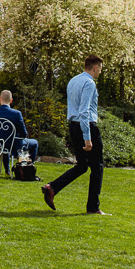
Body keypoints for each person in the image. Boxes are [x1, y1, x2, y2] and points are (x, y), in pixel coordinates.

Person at [43, 56, 107, 215]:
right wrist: (87, 137)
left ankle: (52, 187)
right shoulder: (89, 83)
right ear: (95, 68)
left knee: (82, 166)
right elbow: (84, 111)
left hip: (73, 126)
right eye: (100, 68)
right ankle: (93, 207)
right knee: (97, 167)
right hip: (86, 127)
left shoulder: (73, 81)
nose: (100, 71)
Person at [0, 90, 38, 173]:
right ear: (11, 100)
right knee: (35, 143)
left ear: (0, 99)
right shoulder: (16, 113)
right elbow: (23, 133)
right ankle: (28, 169)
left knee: (7, 142)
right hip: (13, 144)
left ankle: (7, 170)